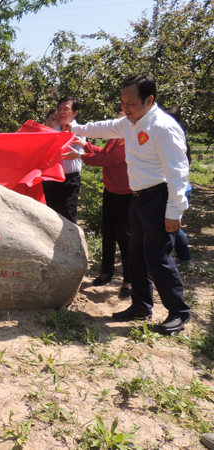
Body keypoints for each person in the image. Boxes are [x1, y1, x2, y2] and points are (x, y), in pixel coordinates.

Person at [64, 74, 190, 333]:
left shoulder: (162, 127)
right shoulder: (130, 123)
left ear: (149, 100)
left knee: (157, 257)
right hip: (138, 197)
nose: (124, 109)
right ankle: (141, 306)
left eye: (130, 103)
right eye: (122, 103)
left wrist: (175, 210)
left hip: (159, 196)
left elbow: (178, 171)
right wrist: (76, 128)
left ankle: (178, 311)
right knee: (136, 256)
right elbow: (105, 126)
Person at [64, 107, 132, 299]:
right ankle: (107, 272)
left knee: (124, 236)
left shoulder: (129, 142)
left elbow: (108, 160)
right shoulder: (115, 138)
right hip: (110, 190)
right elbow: (103, 153)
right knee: (108, 232)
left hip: (125, 194)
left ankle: (128, 279)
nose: (118, 121)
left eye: (121, 119)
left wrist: (78, 156)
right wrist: (85, 146)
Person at [42, 96, 84, 223]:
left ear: (75, 112)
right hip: (50, 179)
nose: (61, 112)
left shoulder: (80, 131)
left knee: (67, 218)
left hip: (69, 181)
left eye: (66, 109)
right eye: (59, 109)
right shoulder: (53, 132)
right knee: (49, 218)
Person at [163, 106, 192, 266]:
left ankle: (184, 258)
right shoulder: (180, 138)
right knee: (173, 225)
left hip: (177, 189)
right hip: (181, 188)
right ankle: (183, 257)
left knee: (173, 225)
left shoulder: (173, 139)